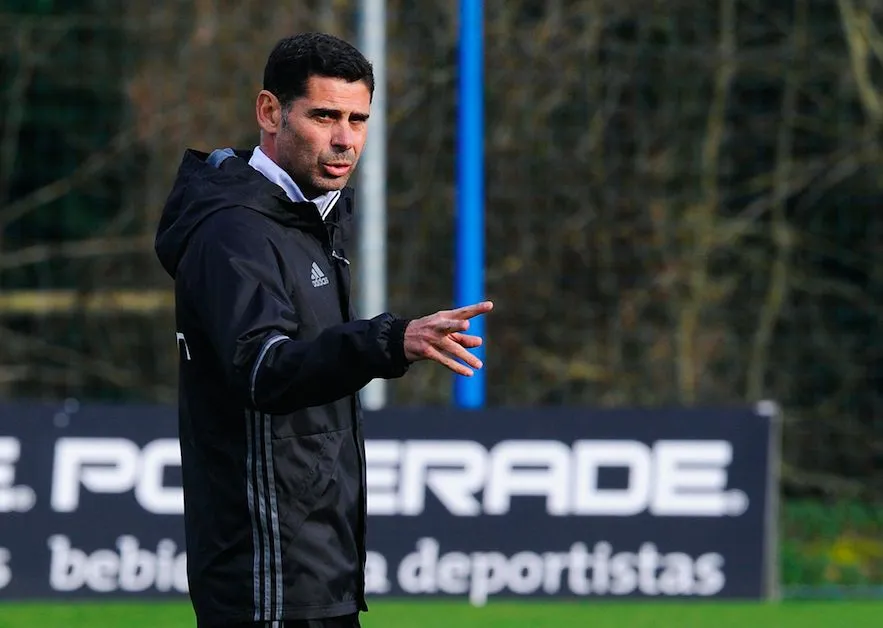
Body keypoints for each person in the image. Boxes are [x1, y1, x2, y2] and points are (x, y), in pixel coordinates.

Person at [154, 32, 492, 628]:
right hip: (265, 576)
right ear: (269, 111)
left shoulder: (307, 219)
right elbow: (264, 369)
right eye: (324, 116)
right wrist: (388, 339)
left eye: (358, 119)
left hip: (315, 568)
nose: (345, 139)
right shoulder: (234, 231)